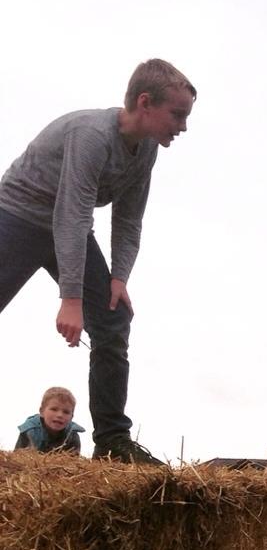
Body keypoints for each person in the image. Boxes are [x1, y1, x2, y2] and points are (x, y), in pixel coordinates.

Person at [0, 59, 196, 466]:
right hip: (17, 218)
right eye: (177, 114)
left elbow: (128, 217)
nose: (183, 126)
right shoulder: (91, 135)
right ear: (145, 102)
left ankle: (112, 441)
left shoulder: (145, 152)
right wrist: (71, 299)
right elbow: (71, 213)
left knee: (112, 318)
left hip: (68, 229)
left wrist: (119, 277)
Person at [15, 386, 85, 454]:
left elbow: (73, 463)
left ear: (71, 417)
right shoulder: (29, 431)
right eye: (54, 409)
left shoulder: (72, 435)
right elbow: (17, 457)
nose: (60, 415)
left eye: (66, 412)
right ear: (42, 411)